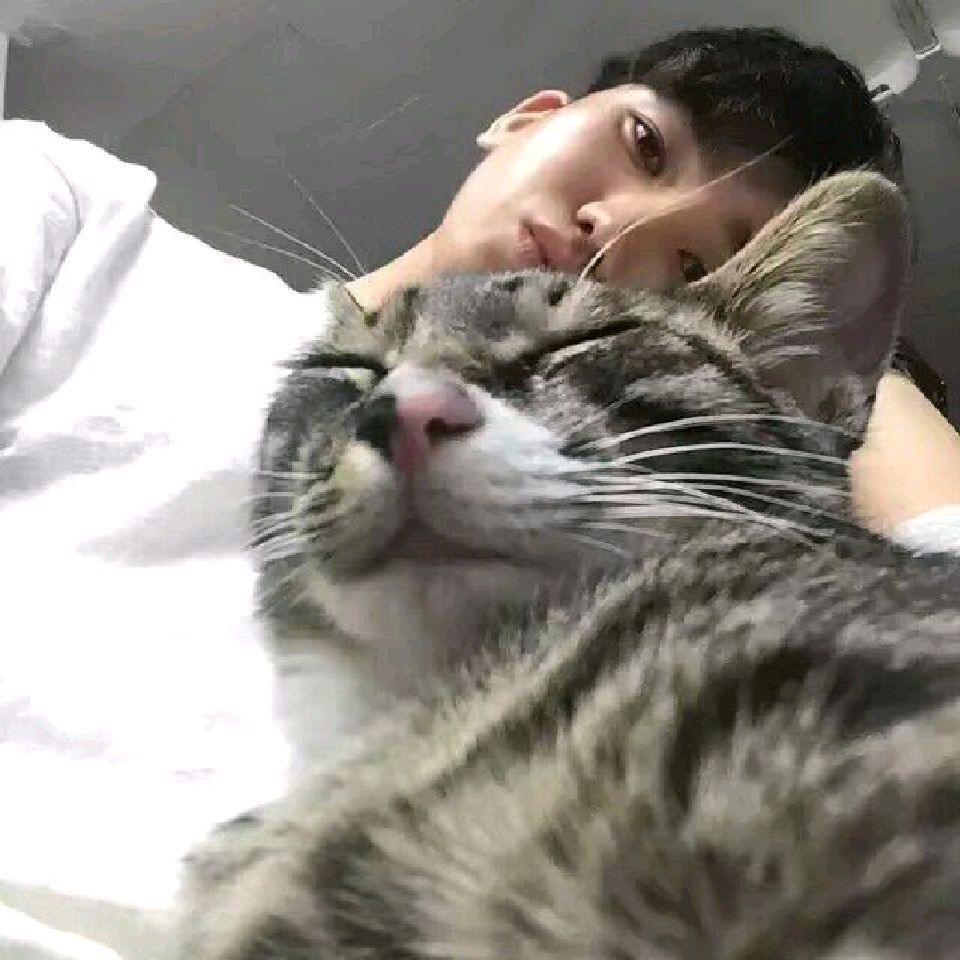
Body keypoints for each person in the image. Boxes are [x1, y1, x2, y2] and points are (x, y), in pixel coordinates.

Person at [0, 23, 958, 960]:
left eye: (694, 268)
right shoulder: (80, 209)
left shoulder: (703, 598)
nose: (622, 226)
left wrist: (808, 371)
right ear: (526, 117)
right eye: (645, 144)